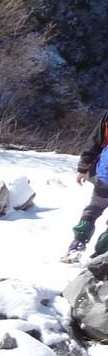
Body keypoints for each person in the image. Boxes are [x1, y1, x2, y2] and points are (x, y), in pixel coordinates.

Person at [66, 112, 108, 262]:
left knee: (94, 208)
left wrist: (83, 168)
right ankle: (101, 255)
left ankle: (78, 244)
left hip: (105, 174)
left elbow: (95, 141)